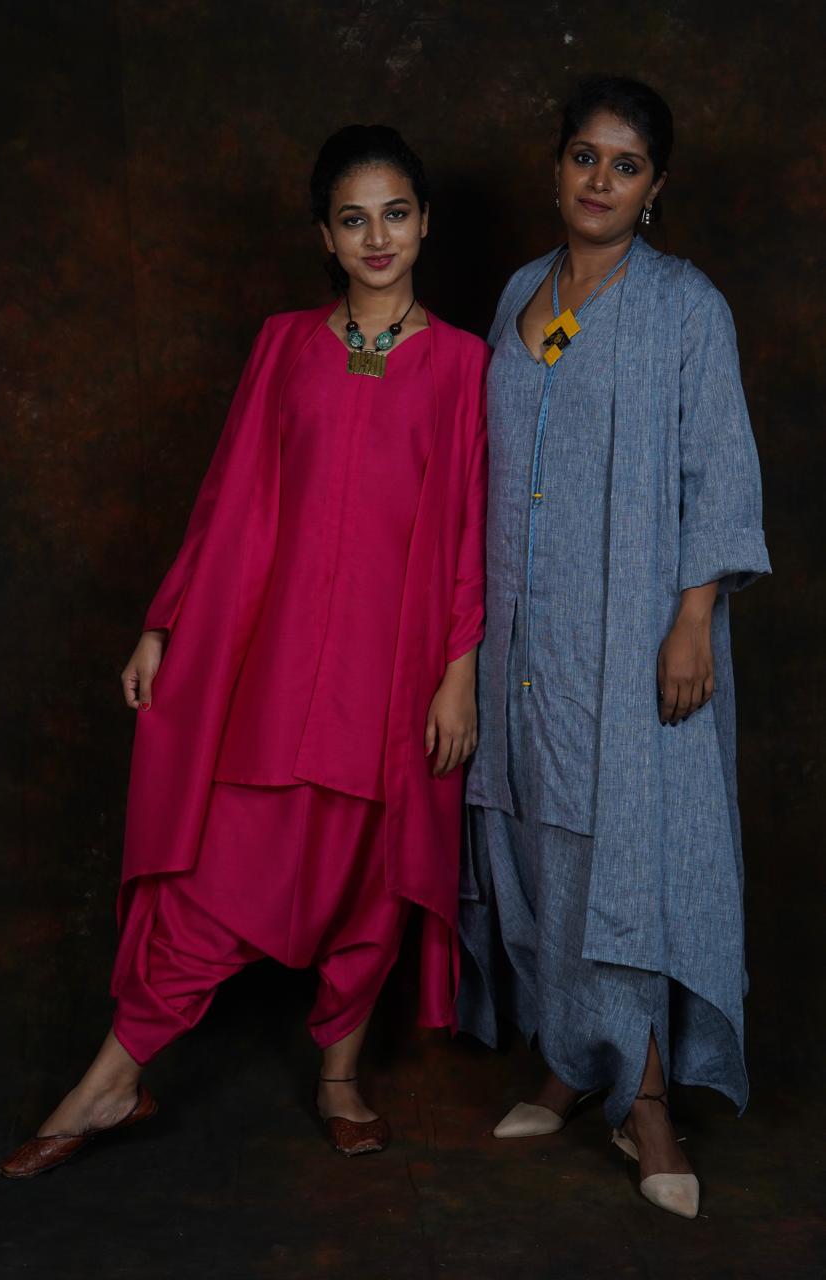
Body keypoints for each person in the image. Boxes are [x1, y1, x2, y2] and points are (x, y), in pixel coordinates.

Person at [0, 125, 488, 1177]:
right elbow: (227, 493)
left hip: (391, 669)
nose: (377, 238)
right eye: (352, 219)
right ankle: (112, 1078)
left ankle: (340, 1076)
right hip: (275, 661)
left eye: (395, 214)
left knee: (368, 878)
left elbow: (467, 531)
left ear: (424, 222)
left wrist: (459, 673)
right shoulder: (283, 344)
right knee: (217, 873)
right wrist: (163, 623)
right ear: (324, 236)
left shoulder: (464, 363)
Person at [460, 76, 770, 1219]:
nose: (600, 179)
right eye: (584, 155)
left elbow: (718, 467)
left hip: (632, 630)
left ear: (654, 187)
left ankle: (644, 1100)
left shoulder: (687, 305)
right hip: (519, 633)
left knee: (622, 853)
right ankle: (567, 1057)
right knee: (536, 839)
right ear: (556, 169)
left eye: (625, 164)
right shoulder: (518, 292)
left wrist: (693, 617)